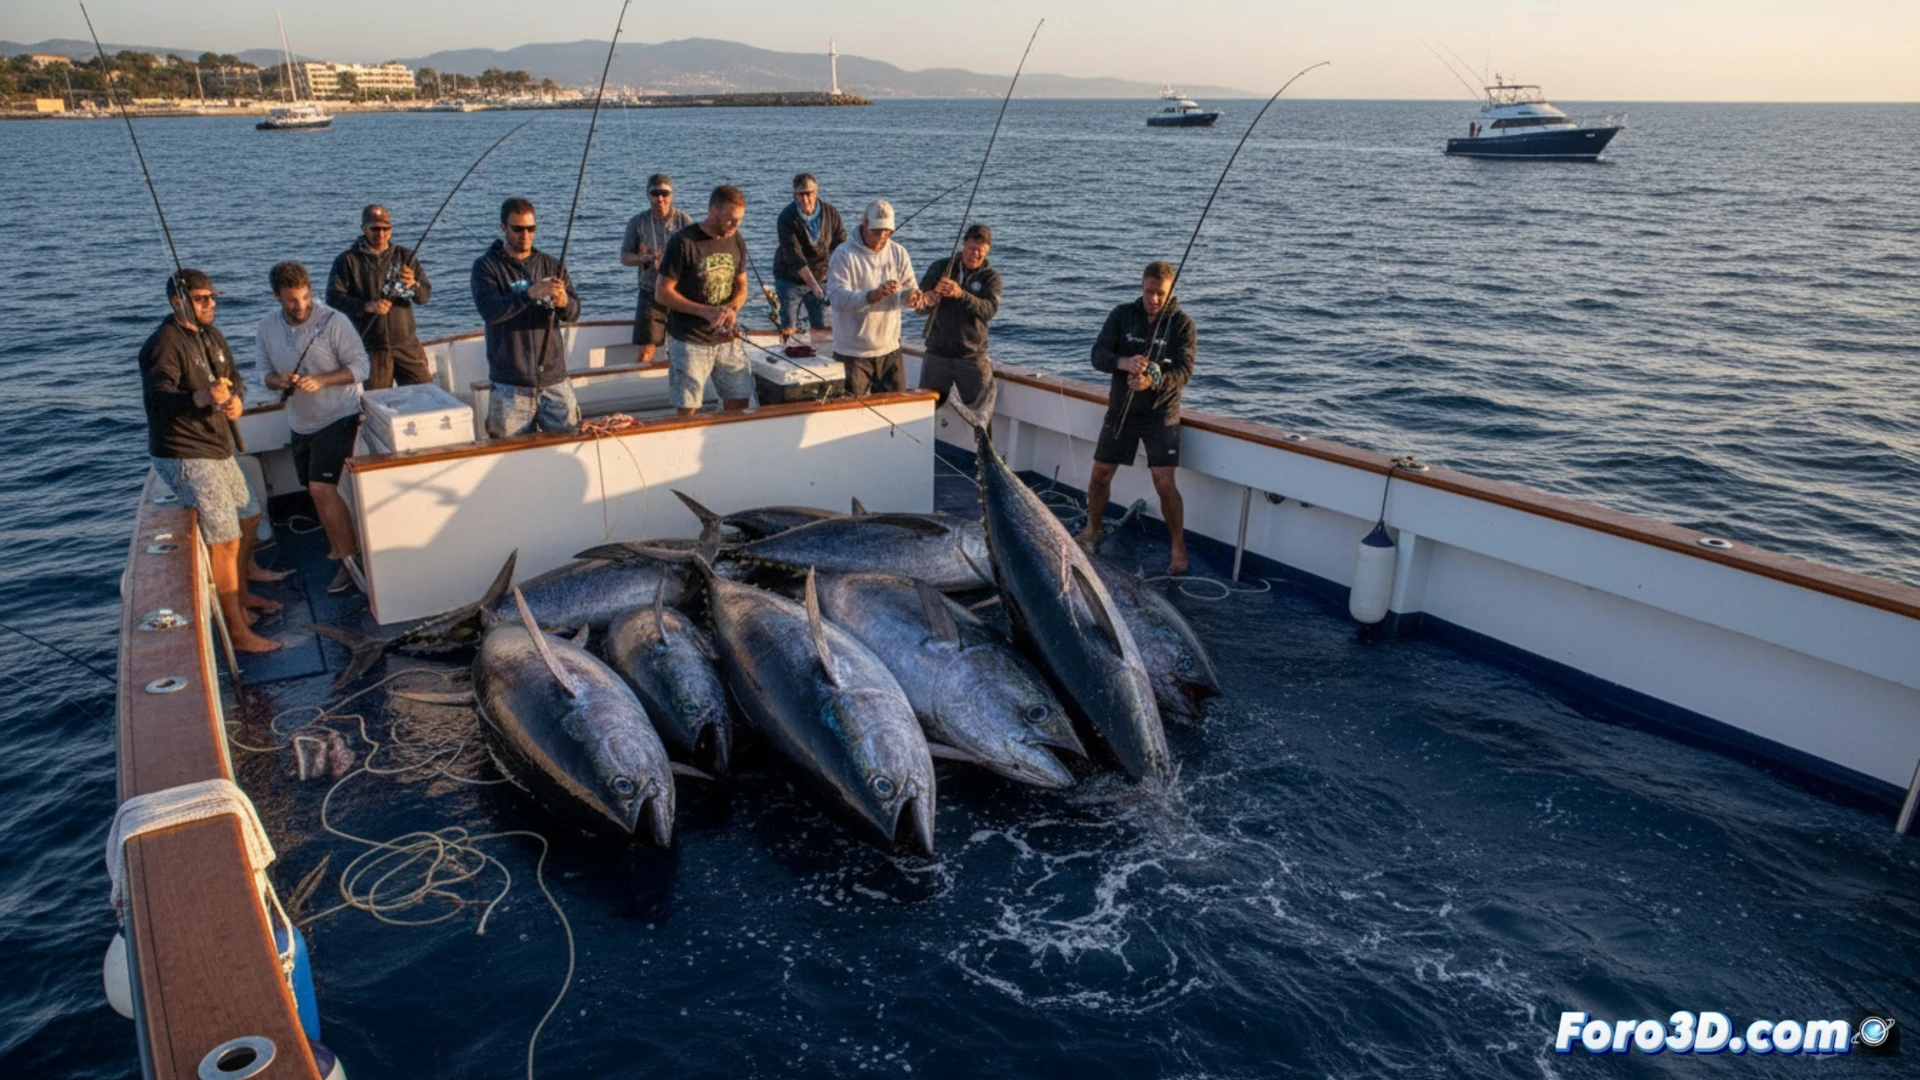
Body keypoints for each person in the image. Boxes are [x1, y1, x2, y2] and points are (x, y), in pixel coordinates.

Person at [138, 270, 280, 653]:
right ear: (177, 302)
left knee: (249, 514)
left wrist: (235, 399)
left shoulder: (212, 336)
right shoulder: (163, 344)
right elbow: (156, 401)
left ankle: (243, 588)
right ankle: (236, 631)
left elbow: (232, 377)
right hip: (186, 452)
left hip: (217, 446)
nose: (211, 304)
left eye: (212, 297)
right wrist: (198, 397)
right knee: (224, 537)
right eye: (201, 298)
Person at [257, 261, 370, 596]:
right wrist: (276, 380)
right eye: (292, 300)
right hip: (299, 421)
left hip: (340, 414)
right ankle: (340, 548)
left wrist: (321, 380)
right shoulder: (266, 328)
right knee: (311, 487)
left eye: (306, 297)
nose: (301, 306)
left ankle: (349, 562)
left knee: (322, 488)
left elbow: (361, 366)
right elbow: (262, 371)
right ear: (276, 297)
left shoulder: (334, 322)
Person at [1081, 260, 1197, 575]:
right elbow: (1097, 355)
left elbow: (1184, 371)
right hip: (1123, 410)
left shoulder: (1182, 325)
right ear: (1141, 287)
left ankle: (1178, 546)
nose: (1153, 299)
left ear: (1170, 291)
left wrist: (1152, 379)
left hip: (1161, 413)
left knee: (1163, 481)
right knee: (1100, 475)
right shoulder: (1122, 315)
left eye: (1160, 293)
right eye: (1148, 292)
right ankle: (1094, 529)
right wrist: (1123, 363)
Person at [471, 197, 581, 438]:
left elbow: (574, 311)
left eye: (531, 228)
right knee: (509, 457)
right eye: (518, 229)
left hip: (555, 381)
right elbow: (490, 311)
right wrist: (530, 293)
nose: (525, 235)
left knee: (568, 443)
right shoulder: (486, 267)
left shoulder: (551, 264)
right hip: (510, 384)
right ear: (503, 228)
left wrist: (563, 303)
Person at [655, 184, 752, 416]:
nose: (735, 225)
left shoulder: (736, 238)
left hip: (727, 338)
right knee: (688, 407)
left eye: (739, 220)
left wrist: (733, 308)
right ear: (713, 211)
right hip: (690, 340)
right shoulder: (683, 242)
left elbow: (742, 286)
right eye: (730, 219)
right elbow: (662, 292)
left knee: (739, 399)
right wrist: (703, 311)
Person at [826, 199, 928, 396]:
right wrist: (872, 296)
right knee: (854, 412)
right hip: (852, 354)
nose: (882, 237)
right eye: (876, 231)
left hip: (890, 349)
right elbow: (837, 298)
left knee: (896, 409)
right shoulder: (843, 254)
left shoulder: (899, 253)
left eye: (887, 232)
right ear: (864, 224)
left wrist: (912, 297)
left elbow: (909, 288)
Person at [326, 204, 433, 389]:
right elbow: (333, 298)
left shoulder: (405, 256)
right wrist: (366, 306)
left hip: (406, 345)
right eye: (375, 229)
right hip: (371, 348)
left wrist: (413, 285)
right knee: (378, 403)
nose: (381, 234)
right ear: (364, 229)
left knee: (425, 393)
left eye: (386, 228)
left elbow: (424, 296)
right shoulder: (347, 261)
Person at [916, 222, 1001, 409]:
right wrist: (932, 297)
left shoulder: (991, 278)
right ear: (964, 244)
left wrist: (961, 294)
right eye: (971, 248)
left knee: (980, 412)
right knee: (925, 410)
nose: (975, 254)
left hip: (972, 358)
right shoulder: (940, 268)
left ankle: (982, 439)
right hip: (937, 355)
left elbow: (989, 310)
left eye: (981, 250)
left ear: (987, 251)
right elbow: (919, 307)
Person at [618, 173, 693, 364]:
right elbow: (625, 257)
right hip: (650, 291)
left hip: (679, 293)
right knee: (645, 352)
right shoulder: (637, 222)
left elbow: (695, 259)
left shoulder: (684, 221)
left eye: (664, 193)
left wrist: (671, 265)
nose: (660, 198)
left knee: (686, 350)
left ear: (672, 195)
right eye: (655, 193)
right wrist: (642, 258)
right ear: (648, 195)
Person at [772, 172, 845, 338]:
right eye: (800, 194)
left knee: (822, 328)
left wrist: (837, 277)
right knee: (789, 327)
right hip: (790, 279)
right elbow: (794, 256)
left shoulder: (831, 212)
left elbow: (840, 246)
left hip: (822, 277)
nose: (805, 199)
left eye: (809, 193)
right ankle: (788, 355)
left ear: (816, 192)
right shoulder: (786, 217)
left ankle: (820, 360)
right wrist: (814, 286)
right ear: (794, 195)